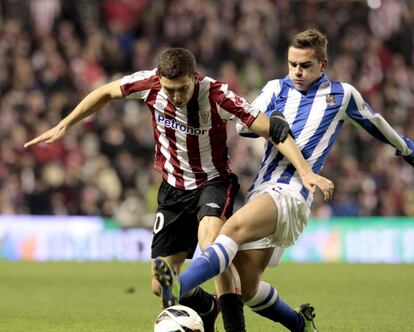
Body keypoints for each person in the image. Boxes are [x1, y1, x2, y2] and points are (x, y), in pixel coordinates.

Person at [24, 47, 332, 332]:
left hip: (213, 184)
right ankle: (209, 309)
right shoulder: (148, 84)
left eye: (182, 88)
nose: (176, 96)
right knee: (160, 287)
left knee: (215, 245)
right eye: (169, 89)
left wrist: (306, 172)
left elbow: (271, 129)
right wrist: (66, 123)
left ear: (194, 78)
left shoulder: (217, 93)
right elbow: (106, 91)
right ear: (159, 80)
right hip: (172, 192)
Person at [154, 29, 414, 332]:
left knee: (231, 230)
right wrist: (271, 123)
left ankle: (178, 286)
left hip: (292, 193)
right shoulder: (275, 88)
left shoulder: (342, 95)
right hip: (263, 191)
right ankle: (299, 324)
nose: (297, 71)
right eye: (292, 64)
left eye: (305, 65)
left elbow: (375, 122)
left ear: (323, 65)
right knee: (247, 286)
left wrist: (406, 147)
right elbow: (243, 125)